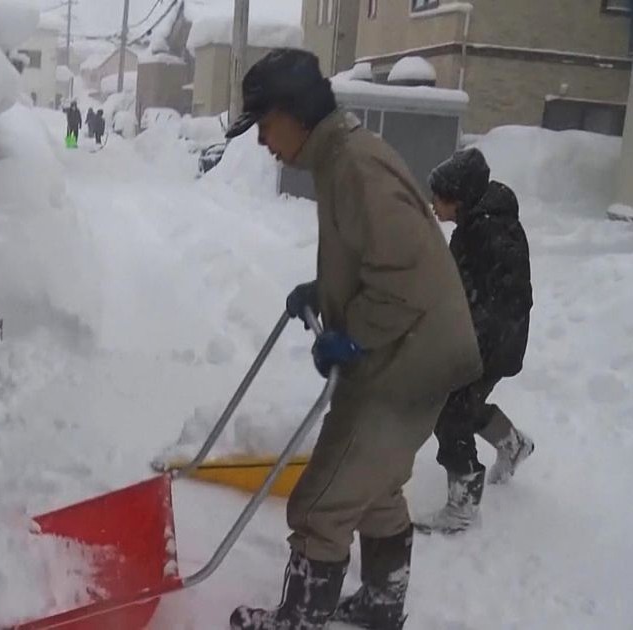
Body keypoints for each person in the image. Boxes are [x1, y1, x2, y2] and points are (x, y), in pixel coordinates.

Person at [224, 48, 482, 630]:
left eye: (265, 126)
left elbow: (404, 279)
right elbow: (381, 256)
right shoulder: (341, 157)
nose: (263, 141)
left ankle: (298, 620)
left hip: (407, 358)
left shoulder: (353, 166)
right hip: (421, 346)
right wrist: (327, 290)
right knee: (375, 486)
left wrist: (352, 335)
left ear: (294, 113)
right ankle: (382, 602)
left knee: (322, 501)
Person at [415, 147, 535, 535]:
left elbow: (495, 301)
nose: (433, 204)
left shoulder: (486, 232)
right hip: (495, 337)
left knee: (450, 412)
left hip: (491, 340)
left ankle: (463, 507)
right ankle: (512, 443)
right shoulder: (480, 223)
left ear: (459, 197)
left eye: (438, 197)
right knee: (466, 403)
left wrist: (464, 349)